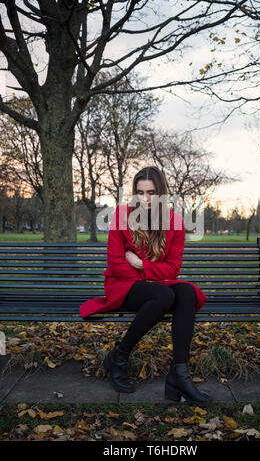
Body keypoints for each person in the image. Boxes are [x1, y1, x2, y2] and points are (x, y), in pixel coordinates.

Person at [80, 166, 212, 406]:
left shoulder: (174, 222)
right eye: (140, 192)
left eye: (151, 192)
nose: (145, 198)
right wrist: (150, 277)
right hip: (122, 285)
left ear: (161, 193)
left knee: (186, 291)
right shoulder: (122, 215)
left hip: (152, 283)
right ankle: (119, 356)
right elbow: (116, 263)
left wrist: (141, 264)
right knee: (163, 294)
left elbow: (173, 268)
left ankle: (179, 375)